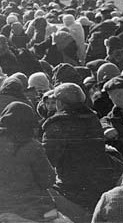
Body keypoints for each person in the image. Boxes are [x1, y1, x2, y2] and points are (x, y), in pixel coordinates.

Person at [42, 83, 118, 222]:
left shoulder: (57, 124)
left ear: (60, 102)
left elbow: (47, 161)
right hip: (100, 182)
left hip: (71, 186)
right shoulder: (92, 118)